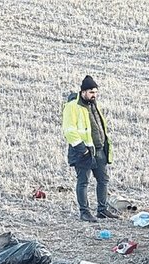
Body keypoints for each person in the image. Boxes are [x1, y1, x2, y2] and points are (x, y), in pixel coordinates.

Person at [62, 75, 119, 222]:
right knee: (83, 182)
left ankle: (102, 210)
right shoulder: (72, 106)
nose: (94, 95)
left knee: (103, 180)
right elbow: (69, 130)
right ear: (83, 92)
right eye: (91, 92)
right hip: (84, 152)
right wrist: (83, 149)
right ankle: (84, 212)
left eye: (95, 92)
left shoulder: (93, 105)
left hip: (99, 150)